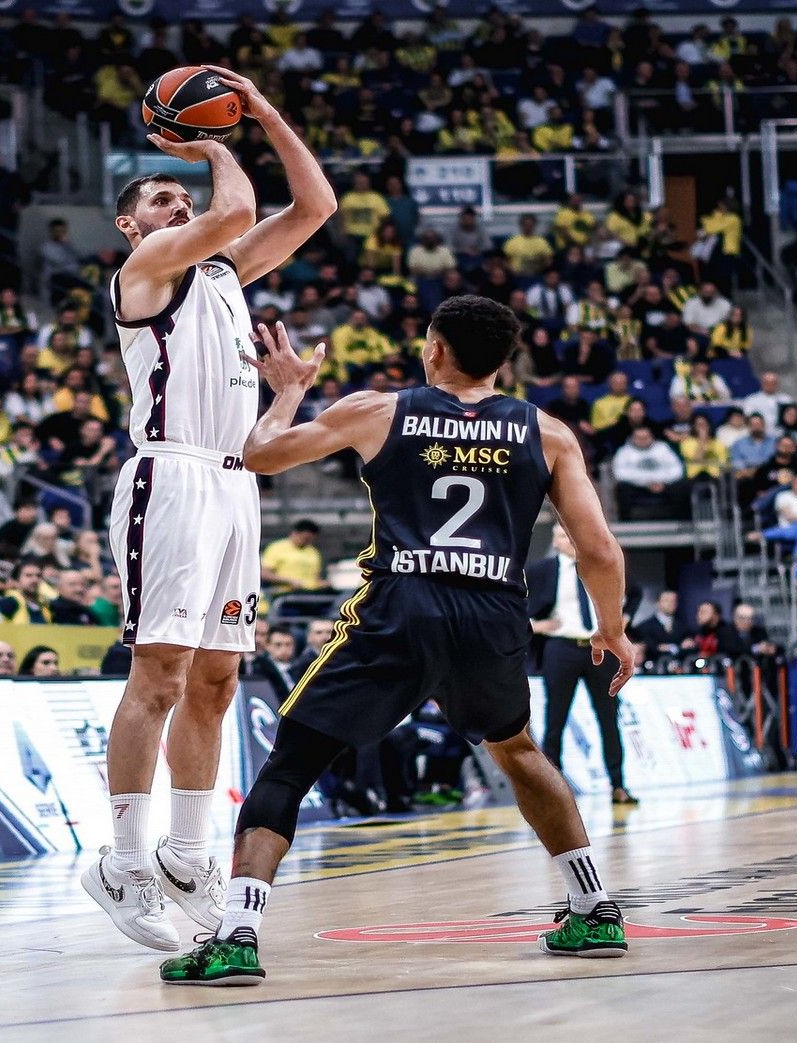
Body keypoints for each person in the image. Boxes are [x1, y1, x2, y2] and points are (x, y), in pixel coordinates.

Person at [158, 297, 634, 987]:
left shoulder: (379, 410)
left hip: (402, 605)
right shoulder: (549, 432)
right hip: (493, 610)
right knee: (517, 749)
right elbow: (599, 549)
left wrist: (287, 390)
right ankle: (595, 908)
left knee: (291, 763)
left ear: (434, 349)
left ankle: (236, 936)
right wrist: (612, 628)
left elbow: (259, 456)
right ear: (505, 362)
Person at [84, 66, 336, 953]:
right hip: (173, 476)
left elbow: (314, 207)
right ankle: (122, 862)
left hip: (236, 483)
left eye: (181, 195)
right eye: (161, 199)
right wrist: (214, 145)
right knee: (158, 675)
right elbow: (234, 211)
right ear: (131, 226)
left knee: (219, 680)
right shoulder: (147, 269)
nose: (179, 203)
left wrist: (263, 110)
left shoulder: (223, 271)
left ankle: (189, 855)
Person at [527, 523, 632, 805]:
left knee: (609, 718)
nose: (569, 540)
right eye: (563, 536)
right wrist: (538, 626)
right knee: (556, 719)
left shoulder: (599, 565)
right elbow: (517, 605)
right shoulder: (541, 571)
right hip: (560, 647)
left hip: (599, 648)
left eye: (572, 534)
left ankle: (618, 785)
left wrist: (622, 620)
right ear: (555, 542)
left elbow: (631, 593)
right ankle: (553, 790)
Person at [260, 518, 326, 595]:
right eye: (305, 538)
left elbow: (316, 578)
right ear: (295, 533)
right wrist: (289, 581)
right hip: (287, 593)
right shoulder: (277, 548)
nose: (307, 542)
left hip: (311, 592)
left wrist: (323, 584)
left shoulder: (313, 552)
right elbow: (264, 574)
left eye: (311, 540)